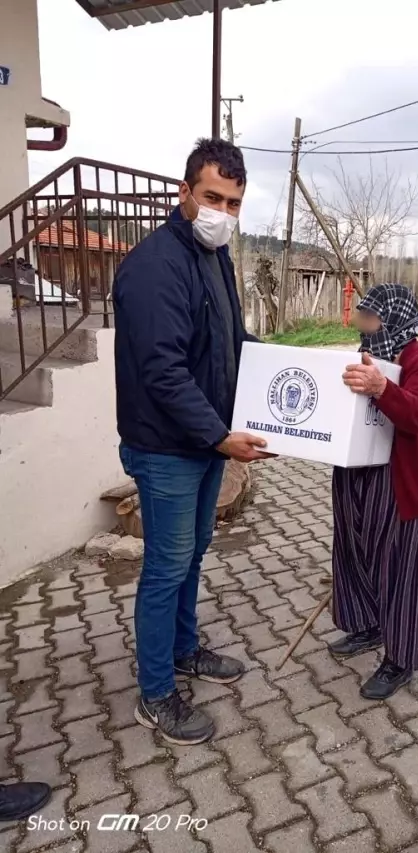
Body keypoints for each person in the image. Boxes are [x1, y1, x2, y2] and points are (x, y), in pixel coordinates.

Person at [113, 138, 270, 746]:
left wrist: (292, 375)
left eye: (233, 203)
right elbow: (163, 372)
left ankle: (183, 650)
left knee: (192, 554)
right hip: (168, 448)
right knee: (165, 567)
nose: (222, 213)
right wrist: (220, 436)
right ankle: (155, 695)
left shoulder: (214, 256)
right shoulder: (155, 266)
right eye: (212, 198)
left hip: (206, 444)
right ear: (184, 192)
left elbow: (232, 340)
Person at [329, 284, 418, 700]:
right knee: (358, 551)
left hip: (410, 478)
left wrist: (383, 389)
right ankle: (368, 625)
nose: (364, 325)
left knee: (405, 570)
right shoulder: (366, 355)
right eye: (361, 317)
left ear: (395, 319)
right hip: (364, 477)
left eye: (371, 317)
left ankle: (399, 659)